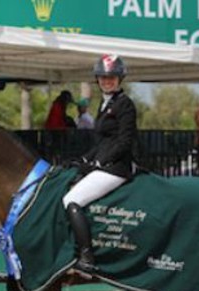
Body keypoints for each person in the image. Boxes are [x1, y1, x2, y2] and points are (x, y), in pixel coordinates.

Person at [63, 54, 137, 274]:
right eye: (103, 77)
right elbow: (102, 141)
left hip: (116, 168)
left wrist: (99, 162)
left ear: (119, 79)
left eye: (112, 77)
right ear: (98, 79)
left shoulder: (125, 104)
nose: (107, 81)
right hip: (104, 164)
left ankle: (87, 257)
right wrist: (84, 160)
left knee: (72, 200)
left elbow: (124, 142)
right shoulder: (106, 105)